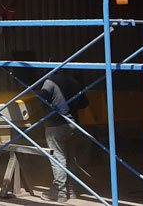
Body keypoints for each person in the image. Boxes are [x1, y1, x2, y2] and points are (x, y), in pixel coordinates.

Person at [38, 72, 89, 202]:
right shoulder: (75, 82)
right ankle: (71, 191)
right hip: (73, 124)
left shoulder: (50, 82)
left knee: (58, 159)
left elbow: (42, 101)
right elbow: (84, 103)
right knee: (71, 158)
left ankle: (60, 193)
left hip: (56, 125)